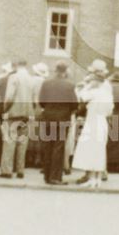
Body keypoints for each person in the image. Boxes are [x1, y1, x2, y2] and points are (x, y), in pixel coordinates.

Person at [72, 60, 113, 188]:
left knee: (91, 150)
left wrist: (86, 86)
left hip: (93, 122)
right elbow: (110, 110)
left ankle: (92, 177)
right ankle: (96, 178)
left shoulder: (94, 91)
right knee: (99, 151)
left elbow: (80, 96)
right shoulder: (107, 92)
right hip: (102, 122)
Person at [37, 62, 78, 185]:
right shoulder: (70, 85)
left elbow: (41, 102)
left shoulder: (46, 83)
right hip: (62, 119)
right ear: (65, 71)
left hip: (48, 117)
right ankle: (55, 177)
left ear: (55, 70)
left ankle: (47, 175)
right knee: (58, 148)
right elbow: (75, 105)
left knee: (47, 146)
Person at [0, 60, 35, 179]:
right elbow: (34, 99)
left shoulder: (14, 77)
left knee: (9, 142)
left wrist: (5, 110)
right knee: (22, 143)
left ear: (16, 66)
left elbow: (9, 96)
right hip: (27, 114)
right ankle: (20, 170)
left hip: (14, 113)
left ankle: (7, 171)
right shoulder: (31, 79)